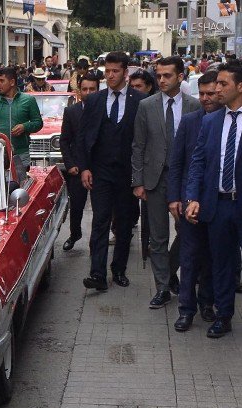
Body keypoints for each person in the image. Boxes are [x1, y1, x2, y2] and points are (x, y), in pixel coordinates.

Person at [132, 56, 201, 308]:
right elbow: (138, 145)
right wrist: (137, 181)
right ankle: (162, 287)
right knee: (157, 238)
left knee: (187, 231)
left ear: (180, 76)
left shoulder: (195, 106)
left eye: (167, 75)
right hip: (155, 179)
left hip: (185, 180)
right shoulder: (146, 106)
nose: (161, 80)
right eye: (158, 75)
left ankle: (171, 271)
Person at [77, 51, 147, 291]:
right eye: (107, 71)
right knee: (100, 222)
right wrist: (85, 167)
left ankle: (119, 270)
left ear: (125, 73)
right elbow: (84, 137)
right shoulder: (95, 100)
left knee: (125, 224)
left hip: (128, 173)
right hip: (101, 171)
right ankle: (97, 274)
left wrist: (141, 177)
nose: (110, 76)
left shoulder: (139, 101)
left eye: (115, 71)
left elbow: (144, 139)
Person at [185, 63, 242, 338]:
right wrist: (193, 197)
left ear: (239, 87)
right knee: (221, 263)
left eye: (223, 84)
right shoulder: (211, 121)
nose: (217, 89)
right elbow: (197, 163)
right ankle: (223, 315)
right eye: (216, 84)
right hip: (219, 204)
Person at [168, 71, 219, 331]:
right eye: (202, 94)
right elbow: (177, 163)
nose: (206, 98)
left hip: (218, 204)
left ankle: (207, 304)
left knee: (212, 257)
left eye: (211, 94)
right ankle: (186, 309)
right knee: (188, 258)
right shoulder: (189, 122)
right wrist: (174, 198)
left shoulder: (229, 122)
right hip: (189, 202)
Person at [0, 67, 43, 178]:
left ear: (12, 82)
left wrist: (25, 126)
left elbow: (38, 123)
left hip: (21, 154)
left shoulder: (28, 100)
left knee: (19, 187)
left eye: (2, 81)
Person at [61, 73, 99, 251]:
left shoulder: (105, 110)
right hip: (77, 167)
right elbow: (64, 140)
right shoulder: (71, 112)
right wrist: (70, 165)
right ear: (79, 91)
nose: (88, 92)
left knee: (101, 209)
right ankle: (74, 233)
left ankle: (98, 240)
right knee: (76, 206)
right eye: (85, 89)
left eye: (92, 89)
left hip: (99, 168)